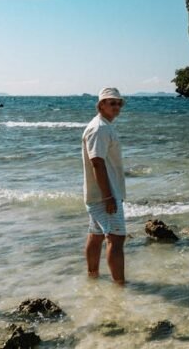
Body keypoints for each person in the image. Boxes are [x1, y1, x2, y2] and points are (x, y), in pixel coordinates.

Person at [82, 87, 127, 285]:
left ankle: (93, 277)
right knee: (116, 239)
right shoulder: (99, 128)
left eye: (119, 103)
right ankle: (119, 286)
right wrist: (108, 196)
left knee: (96, 234)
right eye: (112, 102)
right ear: (101, 105)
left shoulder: (103, 126)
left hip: (98, 193)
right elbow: (97, 163)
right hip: (104, 194)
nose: (116, 106)